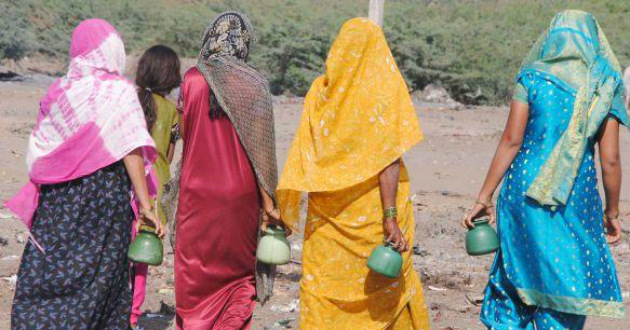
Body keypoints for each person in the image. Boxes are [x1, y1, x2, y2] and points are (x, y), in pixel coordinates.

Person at [462, 10, 627, 330]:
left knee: (517, 275)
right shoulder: (605, 84)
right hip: (573, 198)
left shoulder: (533, 77)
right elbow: (610, 160)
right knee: (563, 282)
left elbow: (511, 141)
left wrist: (484, 196)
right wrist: (613, 212)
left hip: (522, 191)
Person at [4, 19, 164, 330]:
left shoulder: (60, 90)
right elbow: (130, 148)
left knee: (49, 269)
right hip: (103, 200)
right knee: (100, 276)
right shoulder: (119, 92)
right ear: (112, 50)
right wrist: (145, 207)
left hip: (58, 201)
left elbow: (38, 151)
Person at [277, 18, 430, 330]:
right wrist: (390, 216)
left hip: (328, 221)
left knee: (325, 289)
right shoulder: (383, 94)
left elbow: (306, 154)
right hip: (373, 216)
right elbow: (388, 160)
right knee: (383, 289)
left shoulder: (320, 94)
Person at [172, 11, 281, 330]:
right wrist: (269, 204)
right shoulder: (254, 84)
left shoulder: (192, 78)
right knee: (237, 279)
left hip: (196, 191)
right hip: (241, 196)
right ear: (244, 44)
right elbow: (262, 153)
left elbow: (182, 132)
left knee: (195, 274)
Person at [131, 44, 182, 329]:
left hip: (125, 186)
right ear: (171, 77)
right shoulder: (172, 112)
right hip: (156, 188)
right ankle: (133, 316)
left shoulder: (128, 101)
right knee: (141, 258)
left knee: (118, 251)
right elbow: (170, 155)